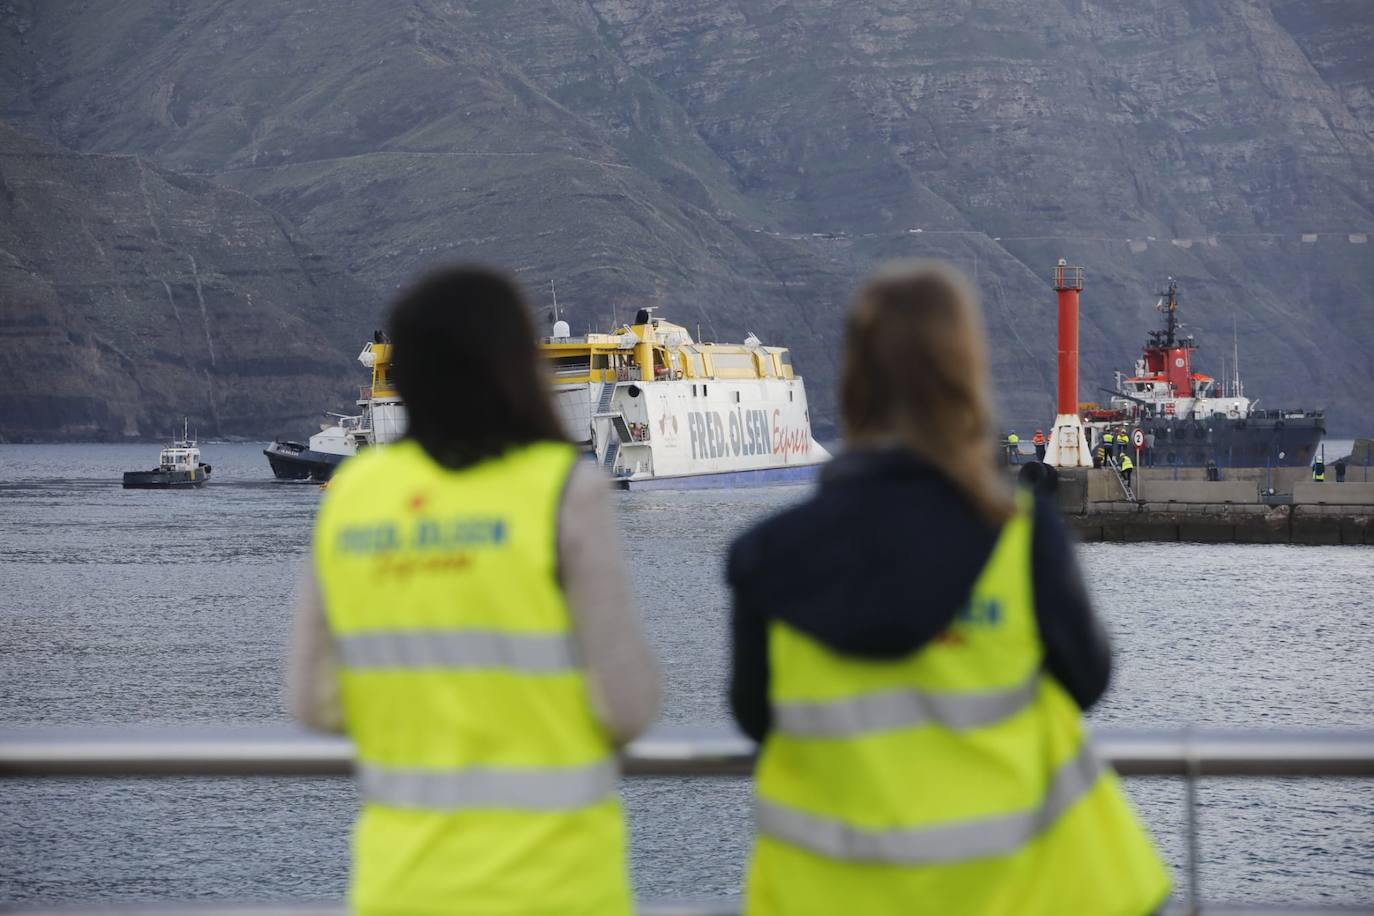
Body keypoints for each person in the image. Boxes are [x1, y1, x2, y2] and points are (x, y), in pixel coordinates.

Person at [726, 261, 1169, 916]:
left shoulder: (764, 559)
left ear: (853, 382)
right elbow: (1087, 677)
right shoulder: (1019, 536)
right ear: (965, 377)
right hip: (1023, 894)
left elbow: (755, 716)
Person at [289, 266, 659, 916]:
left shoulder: (352, 496)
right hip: (560, 885)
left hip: (402, 886)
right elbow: (628, 706)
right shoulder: (563, 491)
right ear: (518, 365)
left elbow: (314, 702)